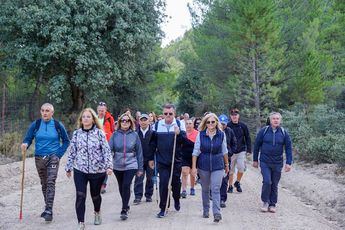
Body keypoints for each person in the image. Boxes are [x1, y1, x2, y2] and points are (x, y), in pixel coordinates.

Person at [21, 103, 70, 222]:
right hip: (39, 158)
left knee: (50, 182)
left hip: (53, 156)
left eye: (47, 111)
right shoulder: (36, 124)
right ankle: (47, 206)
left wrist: (58, 155)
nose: (45, 113)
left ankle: (49, 210)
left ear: (52, 113)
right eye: (43, 110)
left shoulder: (58, 125)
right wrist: (25, 145)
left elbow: (66, 141)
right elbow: (28, 139)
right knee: (44, 183)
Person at [65, 108, 113, 230]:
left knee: (95, 195)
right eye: (84, 117)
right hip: (80, 170)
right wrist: (68, 167)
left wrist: (109, 166)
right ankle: (81, 222)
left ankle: (97, 212)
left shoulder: (99, 133)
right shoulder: (77, 134)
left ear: (93, 119)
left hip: (97, 171)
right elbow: (72, 151)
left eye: (88, 117)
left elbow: (106, 151)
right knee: (80, 195)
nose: (85, 119)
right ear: (81, 120)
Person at [191, 113, 229, 222]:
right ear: (205, 123)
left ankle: (216, 212)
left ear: (217, 122)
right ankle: (206, 209)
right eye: (208, 122)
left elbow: (224, 150)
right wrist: (194, 167)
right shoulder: (201, 134)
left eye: (213, 122)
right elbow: (196, 151)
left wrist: (227, 165)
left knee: (216, 188)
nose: (211, 124)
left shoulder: (221, 134)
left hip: (218, 165)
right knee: (205, 189)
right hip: (204, 165)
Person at [253, 112, 292, 213]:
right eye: (274, 118)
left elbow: (288, 148)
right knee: (267, 181)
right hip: (265, 161)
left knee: (274, 183)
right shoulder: (264, 131)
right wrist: (255, 160)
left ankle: (272, 204)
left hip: (277, 162)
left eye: (277, 119)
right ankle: (265, 202)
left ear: (280, 120)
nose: (276, 120)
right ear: (270, 120)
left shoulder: (284, 132)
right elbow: (256, 145)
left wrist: (289, 162)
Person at [151, 103, 186, 218]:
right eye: (166, 114)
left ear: (174, 114)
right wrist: (151, 158)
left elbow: (184, 142)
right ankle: (163, 208)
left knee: (176, 184)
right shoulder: (156, 126)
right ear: (163, 114)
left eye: (170, 114)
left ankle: (176, 199)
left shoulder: (180, 124)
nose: (168, 116)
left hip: (176, 161)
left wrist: (179, 134)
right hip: (162, 161)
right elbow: (152, 143)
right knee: (164, 184)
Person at [109, 113, 143, 220]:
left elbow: (139, 152)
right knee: (121, 186)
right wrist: (108, 164)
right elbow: (109, 150)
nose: (125, 122)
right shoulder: (115, 135)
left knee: (126, 185)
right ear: (119, 122)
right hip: (117, 164)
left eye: (127, 121)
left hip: (131, 164)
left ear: (130, 123)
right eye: (123, 121)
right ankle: (126, 203)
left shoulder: (135, 135)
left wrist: (140, 168)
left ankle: (124, 209)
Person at [227, 108, 251, 193]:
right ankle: (230, 186)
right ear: (230, 116)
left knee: (241, 168)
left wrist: (249, 149)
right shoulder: (228, 125)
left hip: (241, 150)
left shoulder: (243, 126)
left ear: (238, 116)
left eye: (236, 115)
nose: (234, 116)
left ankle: (237, 182)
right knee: (230, 170)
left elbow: (247, 137)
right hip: (231, 151)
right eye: (233, 115)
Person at [133, 114, 155, 204]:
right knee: (139, 178)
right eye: (141, 120)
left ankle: (148, 195)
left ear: (149, 121)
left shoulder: (153, 133)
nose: (143, 122)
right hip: (139, 160)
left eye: (145, 120)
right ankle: (138, 196)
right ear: (139, 121)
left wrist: (152, 158)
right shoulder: (135, 133)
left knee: (150, 178)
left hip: (150, 160)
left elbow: (155, 147)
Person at [218, 114, 237, 208]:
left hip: (226, 158)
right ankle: (212, 195)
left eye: (224, 124)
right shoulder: (214, 131)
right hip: (215, 158)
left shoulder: (230, 131)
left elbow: (234, 143)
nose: (222, 125)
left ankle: (222, 199)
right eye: (221, 123)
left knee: (225, 179)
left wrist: (230, 152)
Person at [97, 101, 115, 194]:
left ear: (106, 110)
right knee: (98, 164)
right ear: (97, 110)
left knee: (106, 165)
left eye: (103, 110)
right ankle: (97, 183)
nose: (101, 112)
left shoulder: (109, 119)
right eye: (100, 110)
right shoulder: (94, 119)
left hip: (107, 144)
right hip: (96, 145)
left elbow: (113, 130)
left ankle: (103, 184)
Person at [181, 118, 199, 198]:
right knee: (184, 172)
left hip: (194, 156)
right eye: (187, 123)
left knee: (192, 173)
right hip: (184, 156)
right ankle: (184, 190)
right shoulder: (183, 134)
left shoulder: (197, 134)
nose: (188, 125)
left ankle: (192, 188)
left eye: (190, 123)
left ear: (193, 125)